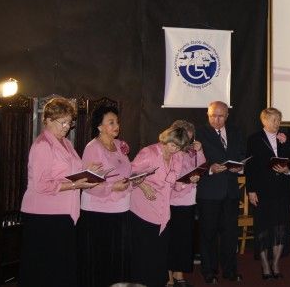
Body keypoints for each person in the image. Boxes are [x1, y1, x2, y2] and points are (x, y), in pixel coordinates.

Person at [19, 97, 101, 287]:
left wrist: (88, 172)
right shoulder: (42, 145)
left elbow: (69, 173)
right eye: (62, 122)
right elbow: (41, 185)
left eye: (69, 122)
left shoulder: (66, 143)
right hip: (44, 215)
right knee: (46, 269)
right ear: (47, 120)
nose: (66, 127)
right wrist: (75, 185)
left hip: (64, 213)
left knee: (60, 268)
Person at [128, 122, 190, 287]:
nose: (174, 149)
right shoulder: (149, 153)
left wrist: (187, 181)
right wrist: (143, 185)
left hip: (163, 212)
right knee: (143, 255)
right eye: (172, 145)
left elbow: (174, 183)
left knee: (159, 254)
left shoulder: (178, 156)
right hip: (143, 211)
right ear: (166, 139)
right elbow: (130, 173)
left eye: (179, 147)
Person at [78, 105, 133, 287]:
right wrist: (112, 187)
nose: (116, 126)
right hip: (98, 213)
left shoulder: (119, 145)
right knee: (101, 260)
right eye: (111, 122)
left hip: (121, 210)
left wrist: (134, 179)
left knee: (117, 259)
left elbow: (126, 171)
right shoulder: (92, 148)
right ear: (99, 126)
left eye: (117, 122)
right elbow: (88, 183)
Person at [194, 101, 245, 284]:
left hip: (230, 191)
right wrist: (210, 168)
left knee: (230, 234)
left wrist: (239, 167)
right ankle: (209, 271)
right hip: (209, 191)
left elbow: (241, 154)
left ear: (227, 116)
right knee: (208, 233)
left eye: (220, 116)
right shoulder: (199, 133)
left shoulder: (236, 132)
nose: (216, 119)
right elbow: (191, 161)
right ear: (207, 115)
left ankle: (230, 270)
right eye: (212, 116)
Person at [244, 107, 290, 279]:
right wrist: (251, 190)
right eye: (274, 120)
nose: (277, 123)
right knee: (263, 228)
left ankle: (276, 264)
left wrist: (287, 168)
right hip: (262, 190)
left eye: (279, 120)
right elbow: (250, 167)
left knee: (280, 227)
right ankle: (265, 265)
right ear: (264, 121)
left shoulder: (286, 137)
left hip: (282, 189)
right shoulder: (254, 139)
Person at [167, 120, 205, 287]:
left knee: (184, 240)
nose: (187, 142)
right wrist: (186, 181)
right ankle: (168, 276)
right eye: (185, 138)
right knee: (171, 240)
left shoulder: (190, 151)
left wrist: (200, 150)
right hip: (172, 201)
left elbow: (202, 166)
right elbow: (167, 178)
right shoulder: (170, 151)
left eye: (190, 138)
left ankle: (179, 274)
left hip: (189, 200)